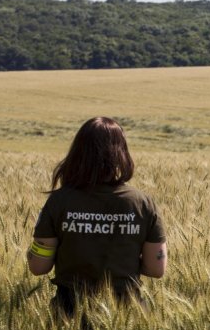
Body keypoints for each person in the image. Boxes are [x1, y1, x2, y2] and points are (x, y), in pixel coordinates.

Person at [27, 117, 167, 318]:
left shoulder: (59, 201)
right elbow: (156, 268)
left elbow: (38, 266)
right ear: (122, 153)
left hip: (68, 316)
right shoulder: (143, 203)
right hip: (128, 317)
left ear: (77, 153)